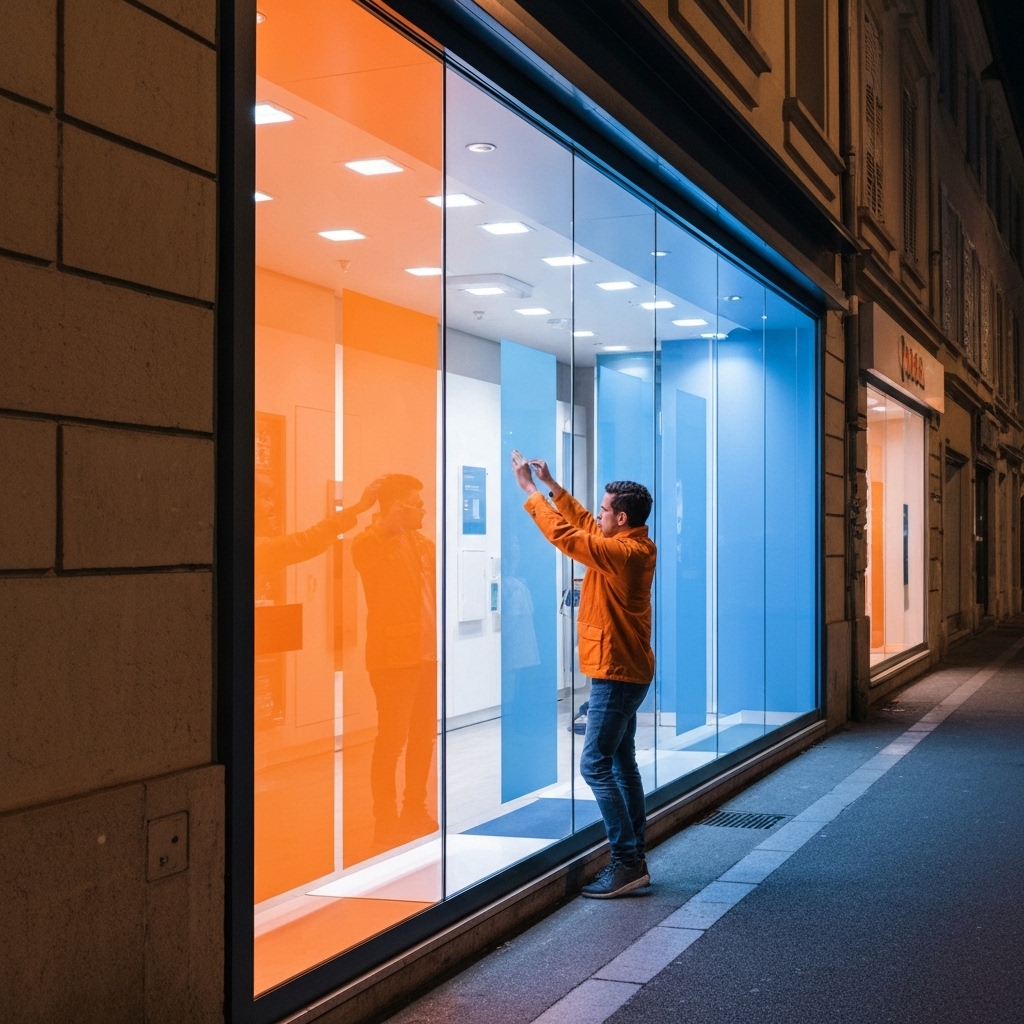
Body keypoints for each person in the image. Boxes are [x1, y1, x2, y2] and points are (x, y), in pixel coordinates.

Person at [511, 449, 656, 898]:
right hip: (624, 668)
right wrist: (554, 486)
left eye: (606, 508)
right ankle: (635, 855)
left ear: (623, 517)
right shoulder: (628, 542)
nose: (599, 513)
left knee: (594, 765)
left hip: (615, 671)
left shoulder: (625, 554)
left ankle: (627, 862)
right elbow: (589, 528)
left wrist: (533, 494)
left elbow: (571, 538)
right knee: (621, 761)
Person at [351, 473, 438, 849]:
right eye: (416, 504)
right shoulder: (369, 544)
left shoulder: (423, 545)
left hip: (425, 657)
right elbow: (365, 556)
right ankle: (385, 819)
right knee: (392, 740)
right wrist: (387, 523)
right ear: (397, 508)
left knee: (422, 736)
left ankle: (414, 809)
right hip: (393, 659)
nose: (423, 509)